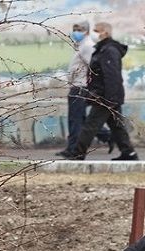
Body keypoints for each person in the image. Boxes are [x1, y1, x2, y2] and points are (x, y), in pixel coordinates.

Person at [59, 22, 139, 161]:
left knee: (90, 125)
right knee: (117, 126)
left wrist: (109, 99)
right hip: (106, 95)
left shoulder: (109, 51)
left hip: (105, 96)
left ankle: (77, 153)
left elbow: (112, 76)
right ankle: (129, 153)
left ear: (105, 33)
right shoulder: (102, 49)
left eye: (97, 31)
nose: (94, 33)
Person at [57, 21, 109, 157]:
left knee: (75, 120)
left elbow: (94, 66)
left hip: (80, 87)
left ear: (86, 31)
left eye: (79, 29)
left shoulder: (87, 46)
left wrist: (93, 85)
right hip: (77, 86)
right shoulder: (81, 46)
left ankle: (73, 149)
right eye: (74, 29)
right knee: (81, 119)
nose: (76, 32)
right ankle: (108, 136)